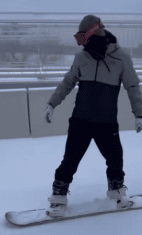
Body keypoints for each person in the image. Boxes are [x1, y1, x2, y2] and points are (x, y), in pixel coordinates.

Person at [43, 15, 142, 215]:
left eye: (82, 38)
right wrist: (52, 103)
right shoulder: (82, 57)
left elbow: (132, 87)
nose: (82, 43)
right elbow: (67, 82)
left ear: (93, 33)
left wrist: (139, 114)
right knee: (70, 159)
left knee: (115, 158)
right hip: (81, 120)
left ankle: (116, 191)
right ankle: (58, 197)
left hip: (107, 122)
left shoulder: (121, 59)